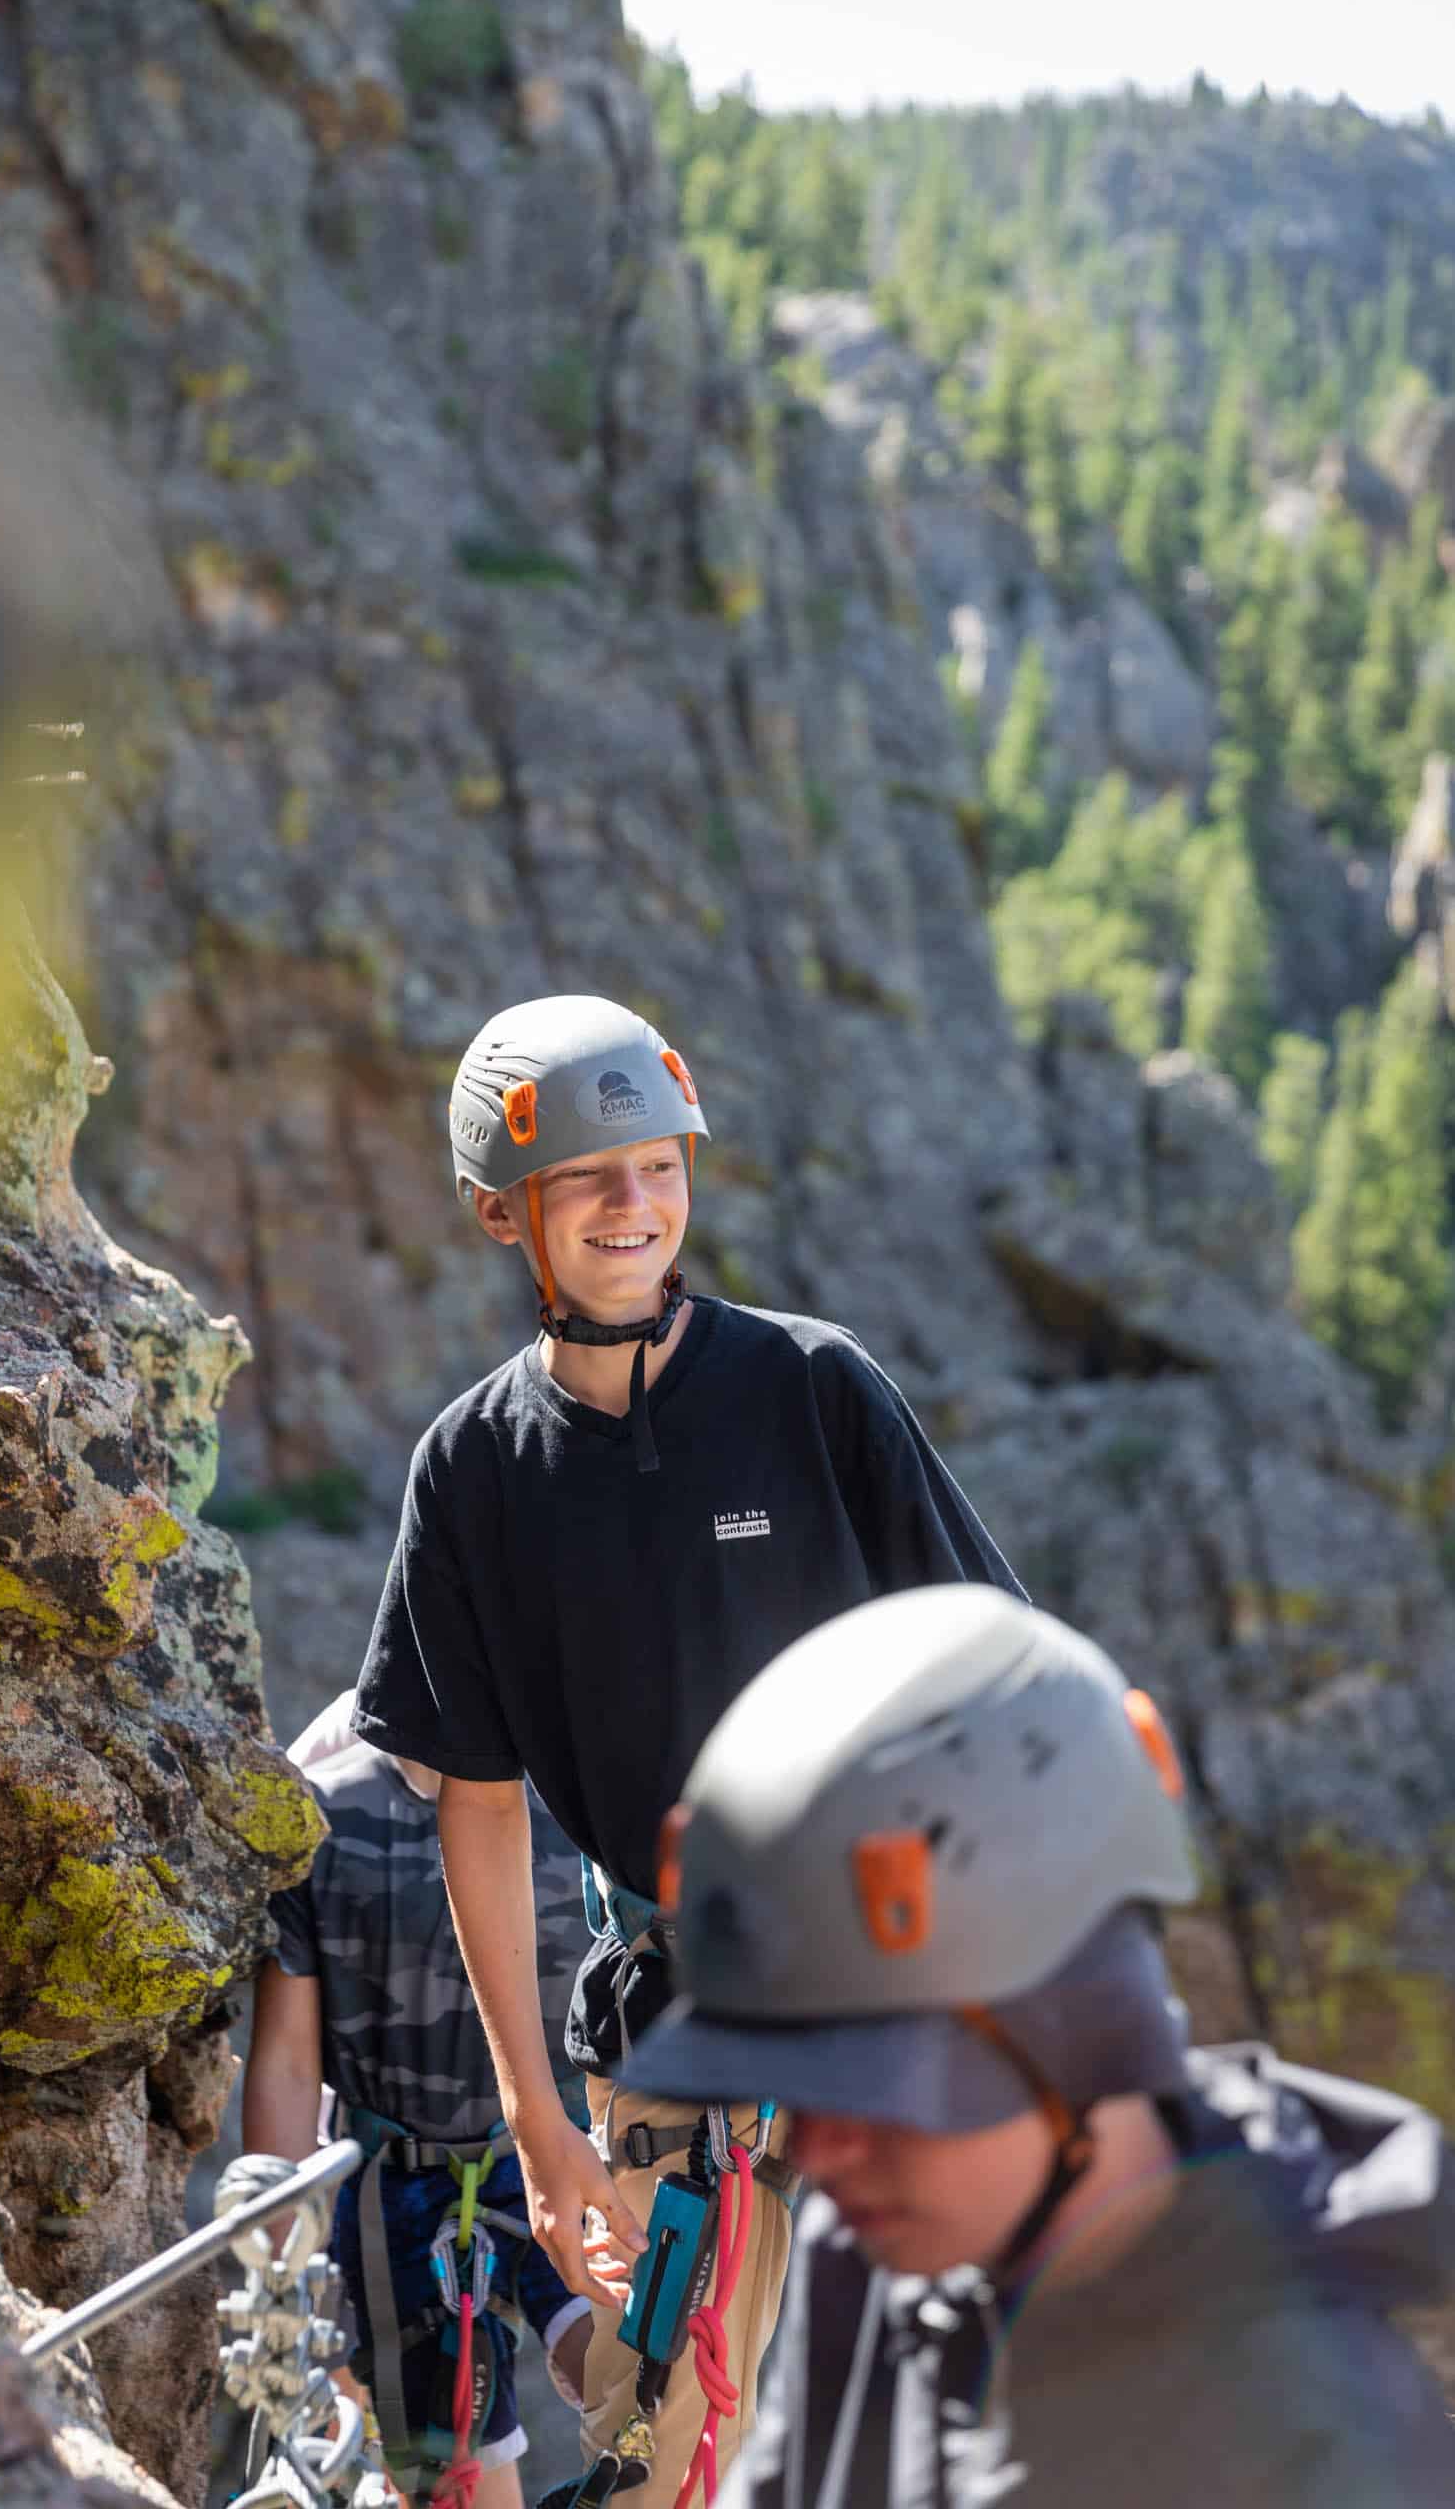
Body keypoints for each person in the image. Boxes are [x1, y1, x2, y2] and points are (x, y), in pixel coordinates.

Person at [351, 996, 1023, 2506]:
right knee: (660, 2450)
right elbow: (477, 1798)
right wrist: (535, 2127)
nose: (630, 1204)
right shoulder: (473, 1472)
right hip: (669, 2035)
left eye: (655, 1166)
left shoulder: (807, 1389)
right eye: (588, 1176)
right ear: (499, 1210)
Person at [619, 1582, 1455, 2508]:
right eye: (789, 2082)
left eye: (873, 2087)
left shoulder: (1316, 2441)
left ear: (1075, 2029)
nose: (816, 2152)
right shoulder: (875, 2260)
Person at [243, 1691, 595, 2509]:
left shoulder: (581, 1808)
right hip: (392, 2196)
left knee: (630, 2370)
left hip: (561, 2156)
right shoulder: (321, 1820)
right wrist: (280, 2262)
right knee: (449, 2464)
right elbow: (288, 2069)